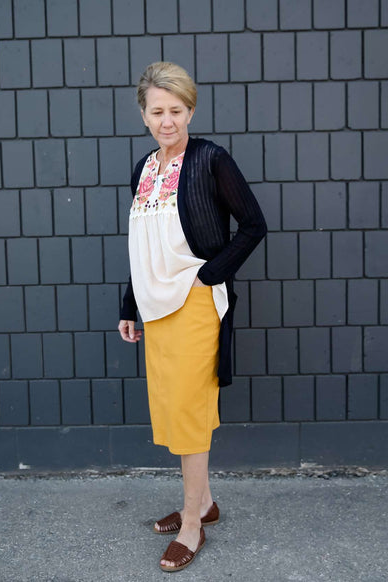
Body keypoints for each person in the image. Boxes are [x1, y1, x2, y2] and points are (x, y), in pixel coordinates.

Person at [118, 61, 267, 572]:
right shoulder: (142, 169)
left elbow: (253, 224)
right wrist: (129, 303)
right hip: (156, 308)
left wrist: (210, 276)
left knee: (188, 410)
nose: (167, 121)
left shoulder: (211, 159)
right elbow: (142, 244)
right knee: (174, 407)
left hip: (195, 303)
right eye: (157, 111)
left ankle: (191, 524)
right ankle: (202, 502)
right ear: (143, 114)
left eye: (176, 111)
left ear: (191, 110)